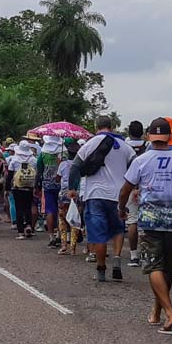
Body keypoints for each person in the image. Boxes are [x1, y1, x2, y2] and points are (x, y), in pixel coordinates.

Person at [119, 117, 172, 335]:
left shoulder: (141, 160)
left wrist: (121, 208)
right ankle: (156, 311)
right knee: (167, 269)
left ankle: (170, 313)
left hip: (150, 221)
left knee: (154, 267)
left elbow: (125, 189)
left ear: (149, 136)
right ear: (170, 137)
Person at [68, 115, 135, 282]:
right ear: (111, 127)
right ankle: (117, 260)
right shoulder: (124, 145)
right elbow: (135, 164)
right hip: (118, 195)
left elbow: (75, 166)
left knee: (99, 233)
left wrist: (72, 188)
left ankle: (101, 269)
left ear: (96, 126)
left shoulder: (91, 143)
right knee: (118, 229)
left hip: (95, 194)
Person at [125, 120, 148, 267]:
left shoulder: (125, 147)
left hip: (130, 186)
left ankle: (133, 256)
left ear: (129, 133)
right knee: (146, 222)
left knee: (132, 221)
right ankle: (146, 255)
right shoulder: (148, 146)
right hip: (146, 188)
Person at [36, 136, 63, 249]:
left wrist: (36, 185)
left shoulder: (43, 152)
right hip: (62, 184)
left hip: (47, 185)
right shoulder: (63, 151)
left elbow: (39, 169)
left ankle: (51, 236)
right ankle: (59, 234)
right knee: (61, 210)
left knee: (50, 210)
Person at [56, 139, 80, 255]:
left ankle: (63, 245)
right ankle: (73, 247)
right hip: (75, 194)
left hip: (63, 193)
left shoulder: (62, 164)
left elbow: (57, 178)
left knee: (62, 219)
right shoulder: (80, 165)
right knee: (74, 220)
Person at [9, 141, 37, 240]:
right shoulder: (33, 160)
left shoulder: (14, 160)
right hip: (29, 187)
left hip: (17, 187)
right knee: (28, 207)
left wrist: (7, 189)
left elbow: (10, 175)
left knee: (19, 208)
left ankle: (21, 231)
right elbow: (36, 173)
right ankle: (29, 225)